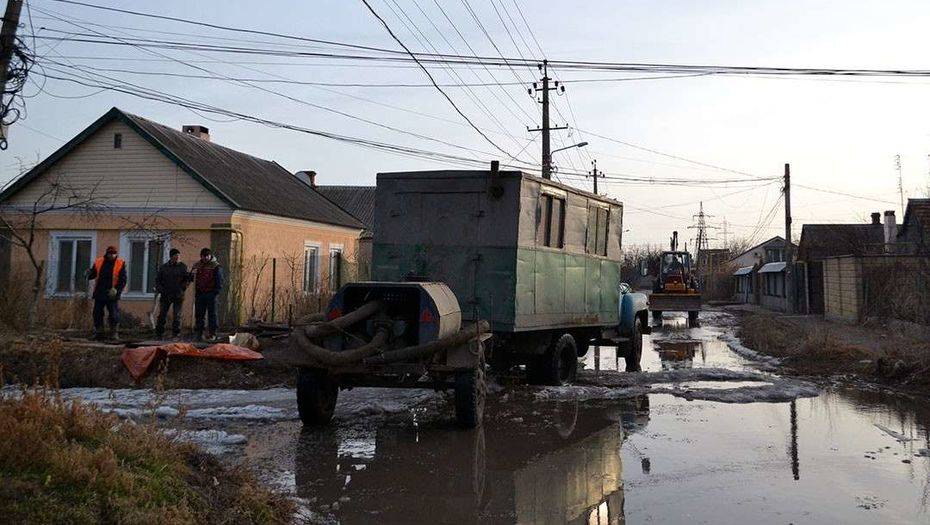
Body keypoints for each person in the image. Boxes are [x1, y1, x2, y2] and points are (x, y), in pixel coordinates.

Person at [86, 245, 127, 340]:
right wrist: (88, 273)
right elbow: (93, 274)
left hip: (112, 293)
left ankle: (114, 333)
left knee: (113, 314)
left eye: (113, 253)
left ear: (116, 254)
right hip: (100, 292)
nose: (112, 255)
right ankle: (99, 332)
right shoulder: (99, 262)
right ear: (107, 253)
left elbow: (123, 280)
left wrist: (117, 291)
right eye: (110, 253)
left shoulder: (120, 263)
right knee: (97, 313)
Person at [154, 248, 189, 340]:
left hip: (178, 294)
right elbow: (158, 280)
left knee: (177, 315)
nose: (177, 257)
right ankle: (159, 333)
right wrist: (161, 290)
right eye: (175, 255)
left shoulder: (183, 267)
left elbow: (186, 280)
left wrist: (183, 288)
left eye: (178, 255)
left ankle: (176, 334)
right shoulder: (164, 267)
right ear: (171, 257)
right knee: (162, 315)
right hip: (166, 294)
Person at [190, 247, 223, 341]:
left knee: (212, 314)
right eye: (203, 256)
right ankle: (199, 333)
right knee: (199, 314)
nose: (204, 258)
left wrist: (216, 292)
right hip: (200, 293)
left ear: (210, 256)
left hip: (211, 293)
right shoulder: (198, 265)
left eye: (206, 256)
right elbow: (191, 277)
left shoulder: (216, 266)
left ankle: (213, 333)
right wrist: (192, 274)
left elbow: (219, 280)